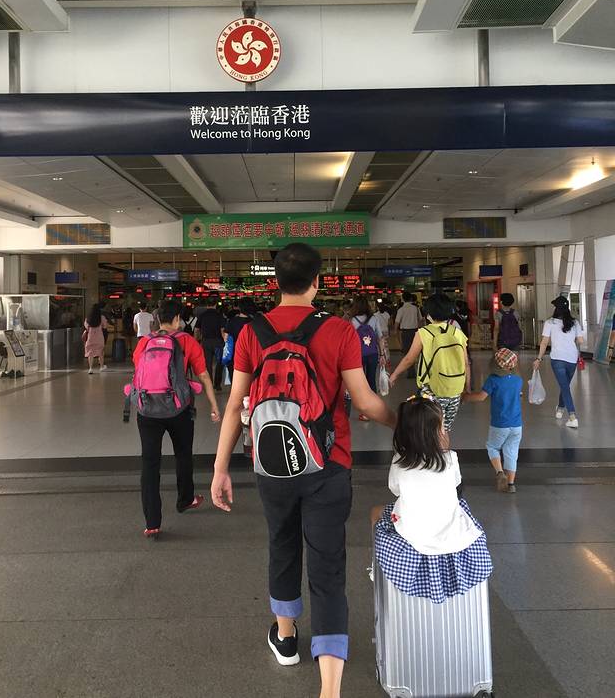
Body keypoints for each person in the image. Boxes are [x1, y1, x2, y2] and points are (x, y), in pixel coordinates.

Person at [211, 243, 395, 698]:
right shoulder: (338, 330)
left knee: (282, 544)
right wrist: (408, 427)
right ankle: (329, 688)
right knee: (327, 564)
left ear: (276, 282)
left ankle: (287, 637)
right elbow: (366, 401)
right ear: (318, 281)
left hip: (271, 464)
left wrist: (220, 468)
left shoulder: (252, 332)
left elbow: (235, 406)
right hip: (329, 464)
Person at [371, 394, 492, 604]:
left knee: (375, 513)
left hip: (412, 535)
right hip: (454, 536)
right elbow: (456, 484)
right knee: (461, 506)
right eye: (442, 426)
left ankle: (376, 566)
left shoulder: (400, 461)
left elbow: (395, 490)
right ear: (436, 431)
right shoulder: (450, 458)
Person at [133, 300, 221, 538]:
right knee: (183, 454)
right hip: (179, 409)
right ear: (177, 319)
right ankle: (185, 499)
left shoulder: (144, 342)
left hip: (147, 410)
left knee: (149, 463)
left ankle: (152, 522)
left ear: (157, 319)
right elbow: (203, 375)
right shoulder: (187, 341)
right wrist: (214, 406)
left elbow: (140, 373)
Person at [390, 292, 470, 433]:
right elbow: (466, 363)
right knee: (444, 429)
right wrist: (466, 388)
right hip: (455, 389)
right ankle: (444, 448)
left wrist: (394, 375)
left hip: (432, 389)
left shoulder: (423, 333)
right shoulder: (457, 332)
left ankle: (431, 448)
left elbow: (409, 359)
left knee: (429, 430)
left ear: (429, 314)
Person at [463, 348, 523, 493]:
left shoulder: (493, 380)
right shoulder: (518, 380)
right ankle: (511, 484)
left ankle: (499, 472)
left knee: (492, 447)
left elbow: (481, 397)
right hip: (517, 425)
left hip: (500, 424)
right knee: (512, 452)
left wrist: (465, 397)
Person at [534, 296, 585, 429]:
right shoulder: (575, 322)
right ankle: (560, 409)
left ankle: (572, 417)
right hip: (572, 358)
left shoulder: (550, 323)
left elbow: (544, 342)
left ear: (556, 308)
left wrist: (539, 358)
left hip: (557, 359)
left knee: (564, 386)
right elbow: (580, 341)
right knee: (565, 385)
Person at [196, 297, 226, 391]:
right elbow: (222, 330)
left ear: (206, 305)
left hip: (206, 342)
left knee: (207, 364)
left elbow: (197, 329)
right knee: (219, 363)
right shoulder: (219, 315)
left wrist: (197, 340)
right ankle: (217, 384)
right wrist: (225, 341)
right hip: (218, 342)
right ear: (215, 304)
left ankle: (209, 384)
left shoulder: (202, 315)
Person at [394, 292, 421, 379]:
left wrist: (395, 331)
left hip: (405, 333)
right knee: (416, 351)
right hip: (415, 332)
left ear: (403, 299)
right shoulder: (416, 308)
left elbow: (397, 322)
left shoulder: (401, 310)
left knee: (407, 352)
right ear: (410, 298)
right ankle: (416, 370)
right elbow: (420, 320)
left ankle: (411, 372)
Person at [83, 303, 108, 374]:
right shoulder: (101, 317)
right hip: (99, 337)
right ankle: (101, 367)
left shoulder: (88, 318)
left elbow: (86, 327)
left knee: (90, 353)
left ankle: (90, 368)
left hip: (90, 337)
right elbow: (105, 326)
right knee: (100, 352)